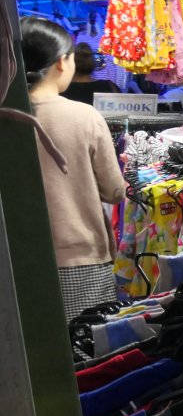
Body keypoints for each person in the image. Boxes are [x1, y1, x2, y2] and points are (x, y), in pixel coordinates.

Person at [22, 17, 126, 321]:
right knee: (84, 352)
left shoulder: (8, 115)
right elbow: (114, 190)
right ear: (60, 63)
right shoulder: (84, 117)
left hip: (16, 261)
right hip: (79, 258)